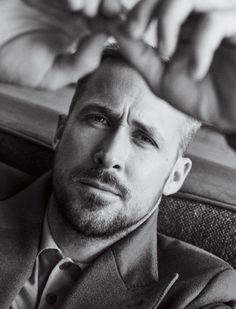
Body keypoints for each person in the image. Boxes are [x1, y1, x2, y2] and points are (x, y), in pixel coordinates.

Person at [0, 47, 235, 308]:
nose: (110, 155)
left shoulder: (199, 294)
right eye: (99, 119)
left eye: (145, 138)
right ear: (61, 131)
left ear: (175, 176)